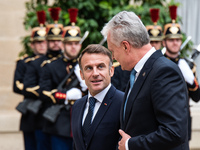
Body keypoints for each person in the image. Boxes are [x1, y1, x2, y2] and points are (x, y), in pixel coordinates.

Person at [101, 10, 189, 150]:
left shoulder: (163, 72)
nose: (113, 57)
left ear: (125, 46)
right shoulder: (138, 71)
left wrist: (130, 145)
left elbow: (174, 132)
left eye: (112, 51)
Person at [39, 8, 87, 150]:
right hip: (59, 124)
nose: (73, 47)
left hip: (81, 122)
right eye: (69, 44)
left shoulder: (87, 65)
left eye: (76, 44)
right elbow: (43, 92)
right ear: (63, 44)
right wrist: (65, 96)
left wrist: (84, 90)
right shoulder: (50, 66)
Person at [23, 8, 63, 150]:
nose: (56, 44)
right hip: (41, 116)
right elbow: (28, 86)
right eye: (52, 40)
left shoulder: (66, 63)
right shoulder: (37, 63)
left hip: (62, 118)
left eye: (58, 40)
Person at [71, 44, 124, 150]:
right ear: (82, 74)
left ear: (111, 71)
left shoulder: (124, 102)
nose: (95, 73)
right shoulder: (77, 105)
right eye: (89, 68)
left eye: (100, 67)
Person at [162, 5, 200, 141]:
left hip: (183, 118)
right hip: (162, 118)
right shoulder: (158, 63)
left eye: (177, 39)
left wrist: (190, 79)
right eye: (171, 40)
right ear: (164, 42)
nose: (175, 43)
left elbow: (196, 97)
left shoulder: (188, 65)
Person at [13, 10, 47, 150]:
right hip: (30, 115)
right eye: (37, 42)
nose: (41, 45)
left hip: (47, 115)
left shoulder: (55, 63)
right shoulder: (24, 62)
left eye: (44, 42)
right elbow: (17, 86)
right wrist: (43, 90)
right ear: (32, 45)